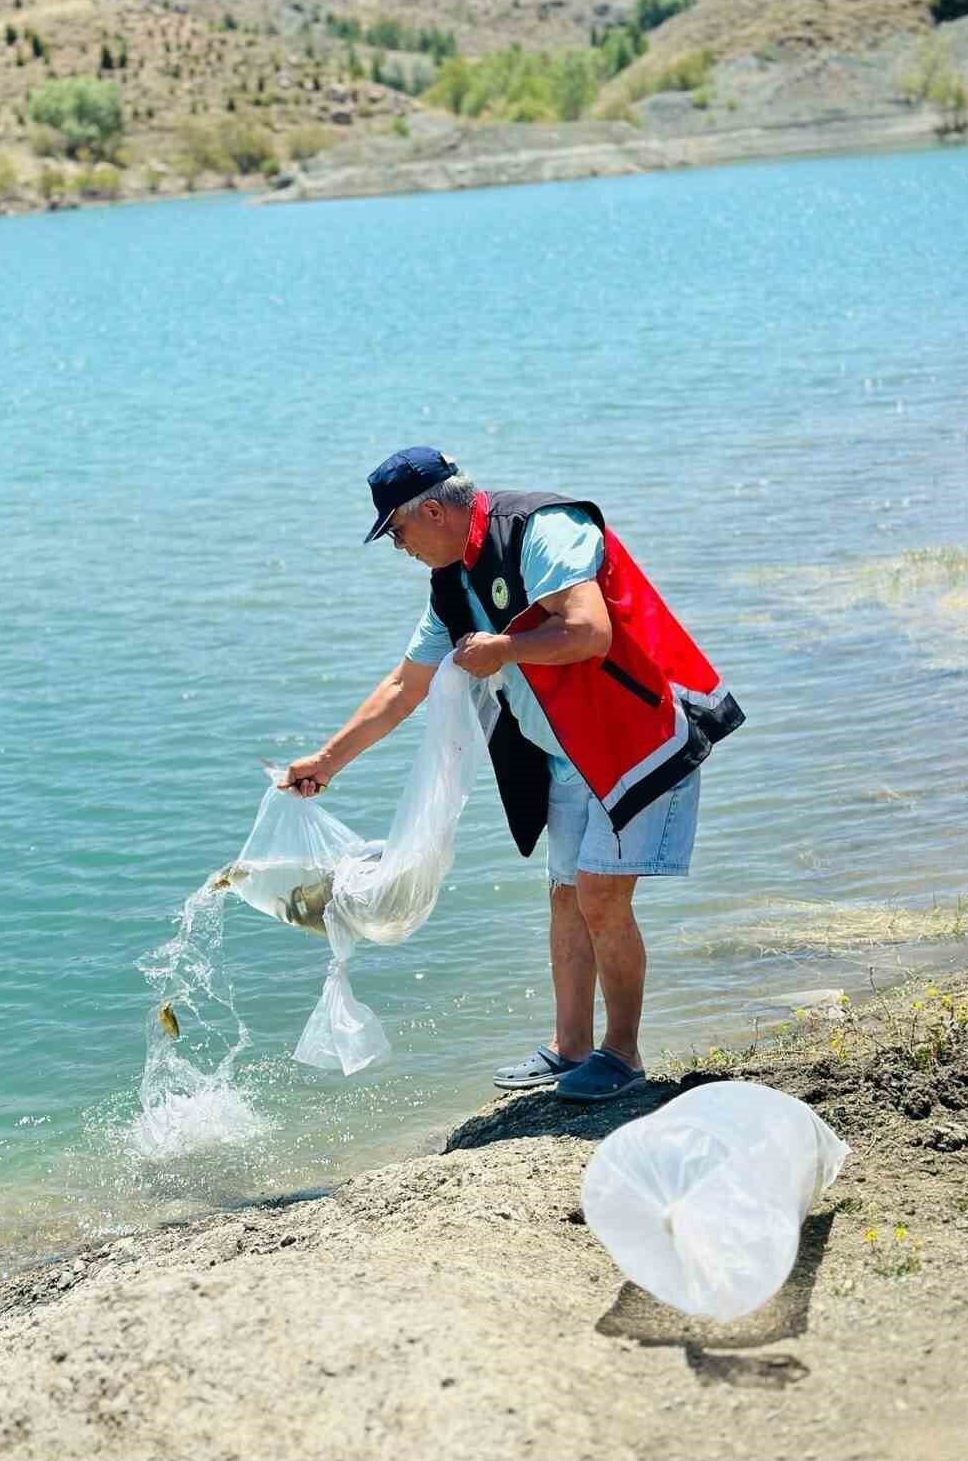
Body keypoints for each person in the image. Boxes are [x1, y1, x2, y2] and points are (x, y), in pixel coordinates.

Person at [284, 447, 744, 1104]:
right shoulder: (453, 584)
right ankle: (570, 1047)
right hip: (568, 756)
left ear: (434, 512)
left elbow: (588, 632)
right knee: (566, 896)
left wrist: (505, 648)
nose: (399, 547)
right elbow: (405, 686)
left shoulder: (541, 530)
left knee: (600, 896)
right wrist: (326, 762)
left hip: (639, 737)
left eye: (397, 531)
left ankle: (622, 1055)